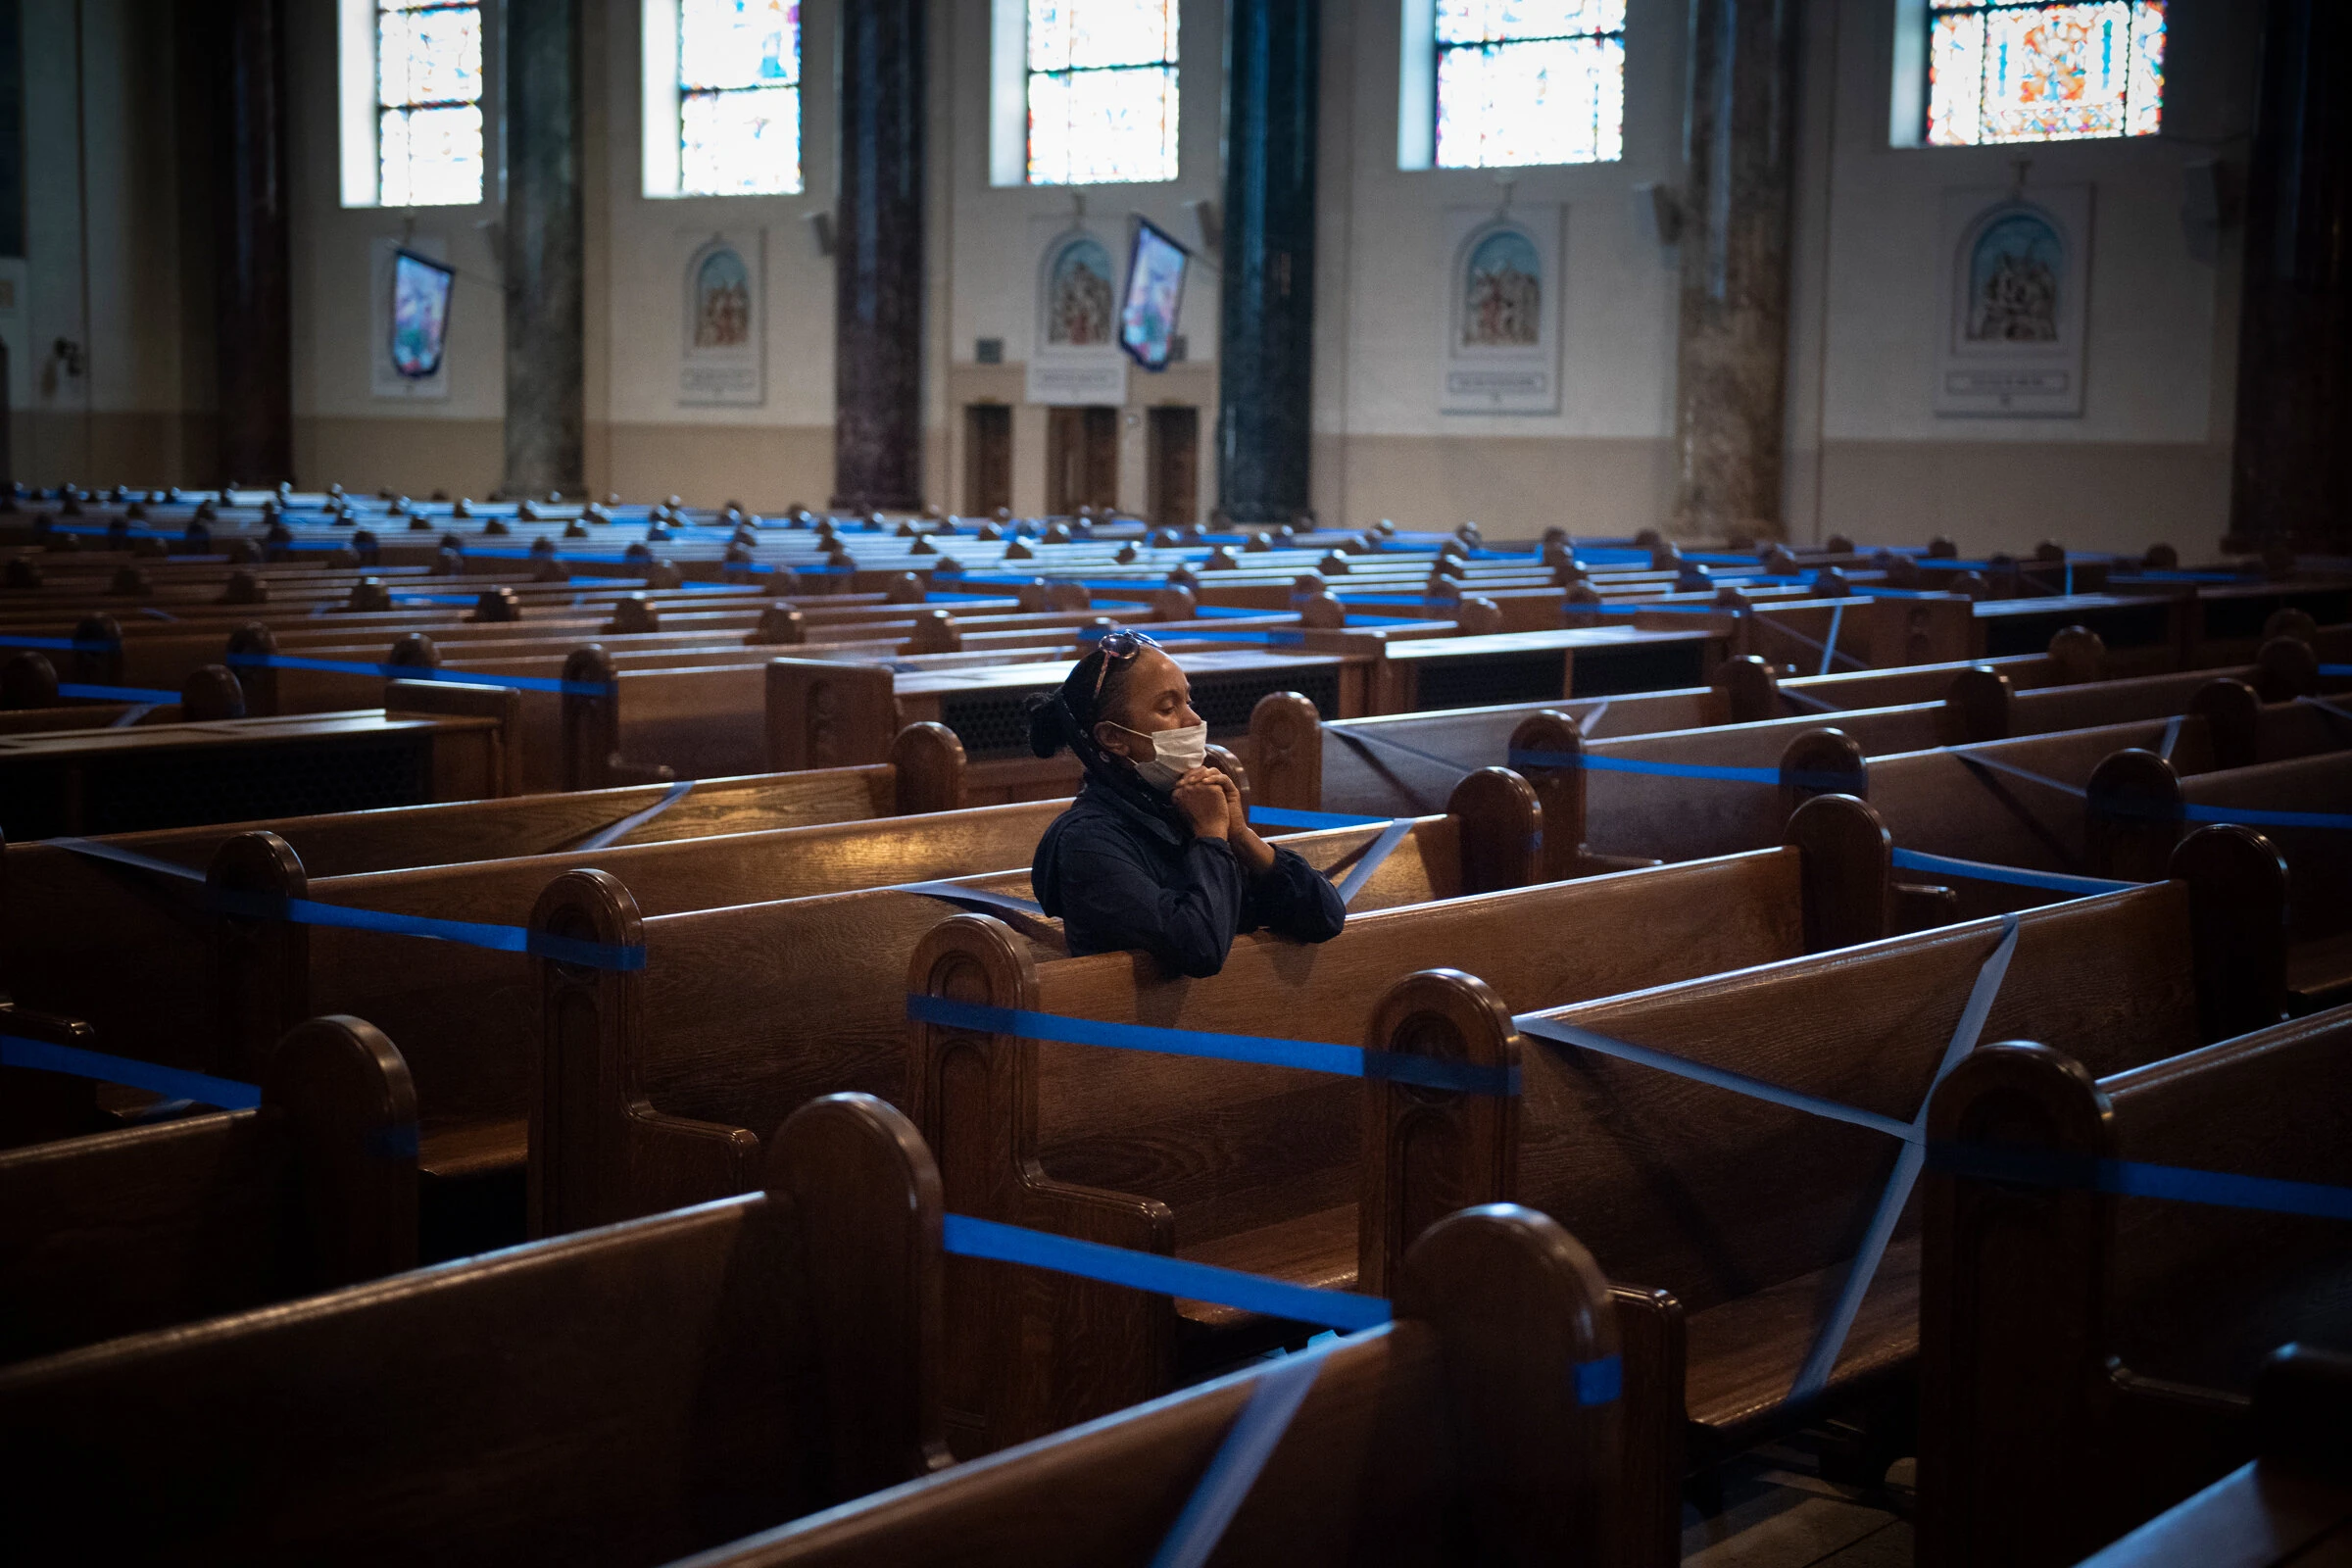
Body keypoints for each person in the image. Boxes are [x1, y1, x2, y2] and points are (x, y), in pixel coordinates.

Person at [1027, 630, 1346, 975]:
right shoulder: (1087, 842)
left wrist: (1240, 835)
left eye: (1188, 701)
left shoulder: (1181, 808)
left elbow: (1325, 917)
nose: (1194, 720)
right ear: (1113, 738)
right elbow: (1200, 949)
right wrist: (1210, 837)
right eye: (1168, 707)